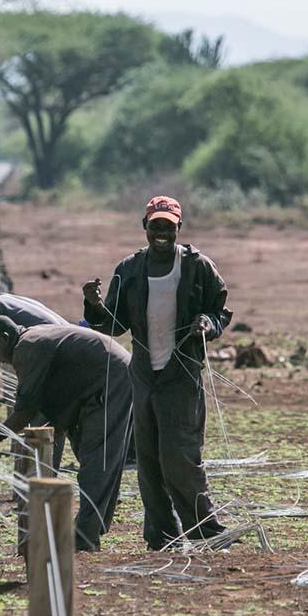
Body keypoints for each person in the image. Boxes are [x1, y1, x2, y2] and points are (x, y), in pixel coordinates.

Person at [82, 195, 232, 551]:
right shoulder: (129, 269)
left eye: (168, 226)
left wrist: (206, 323)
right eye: (155, 226)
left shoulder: (197, 266)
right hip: (144, 375)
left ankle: (205, 531)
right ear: (145, 228)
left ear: (179, 228)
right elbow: (114, 324)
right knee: (148, 459)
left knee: (179, 456)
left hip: (182, 374)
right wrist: (93, 304)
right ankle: (161, 535)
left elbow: (220, 311)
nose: (161, 232)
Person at [0, 316, 132, 552]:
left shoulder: (27, 348)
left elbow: (25, 411)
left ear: (5, 338)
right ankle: (90, 528)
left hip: (110, 379)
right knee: (91, 459)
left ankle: (84, 538)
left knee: (98, 461)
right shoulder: (31, 338)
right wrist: (56, 426)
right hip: (90, 384)